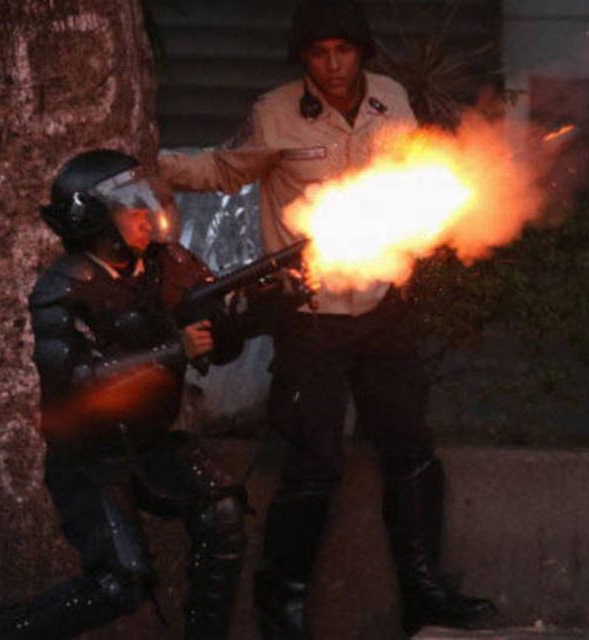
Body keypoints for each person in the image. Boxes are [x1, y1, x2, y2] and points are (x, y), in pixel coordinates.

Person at [158, 0, 495, 636]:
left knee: (411, 447)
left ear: (362, 51)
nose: (333, 65)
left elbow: (415, 177)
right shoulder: (274, 112)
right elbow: (223, 169)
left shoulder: (393, 100)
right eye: (319, 53)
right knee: (315, 460)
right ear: (303, 58)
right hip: (309, 315)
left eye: (344, 50)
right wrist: (153, 168)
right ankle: (281, 605)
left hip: (381, 307)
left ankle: (425, 592)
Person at [0, 149, 311, 640]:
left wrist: (270, 305)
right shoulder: (63, 288)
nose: (147, 216)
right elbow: (74, 381)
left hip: (151, 441)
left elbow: (222, 337)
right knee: (120, 583)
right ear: (94, 221)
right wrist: (173, 350)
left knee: (222, 511)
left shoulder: (170, 264)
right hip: (90, 457)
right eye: (132, 209)